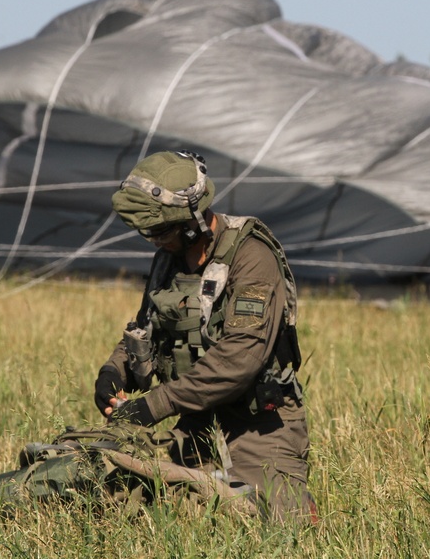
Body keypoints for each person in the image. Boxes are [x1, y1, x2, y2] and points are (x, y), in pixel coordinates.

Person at [93, 150, 315, 521]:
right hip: (192, 419)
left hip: (256, 422)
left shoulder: (251, 257)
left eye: (160, 231)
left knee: (265, 523)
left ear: (193, 221)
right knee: (113, 497)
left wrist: (154, 405)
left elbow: (239, 359)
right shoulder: (169, 257)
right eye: (147, 232)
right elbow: (147, 326)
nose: (153, 241)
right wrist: (114, 372)